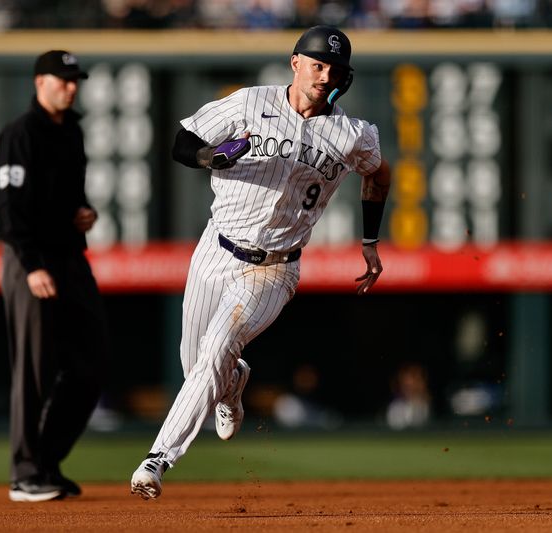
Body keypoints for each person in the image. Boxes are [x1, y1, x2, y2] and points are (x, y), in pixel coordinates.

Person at [130, 25, 392, 500]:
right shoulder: (250, 102)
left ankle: (157, 459)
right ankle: (234, 384)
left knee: (216, 347)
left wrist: (370, 239)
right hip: (216, 249)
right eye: (317, 64)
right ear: (295, 63)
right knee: (198, 365)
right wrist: (212, 155)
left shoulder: (352, 134)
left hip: (275, 267)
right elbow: (182, 141)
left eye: (334, 69)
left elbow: (379, 172)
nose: (324, 74)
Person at [0, 50, 110, 502]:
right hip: (32, 260)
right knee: (34, 368)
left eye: (74, 80)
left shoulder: (72, 131)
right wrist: (31, 264)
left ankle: (46, 462)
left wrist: (84, 213)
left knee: (92, 362)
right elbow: (9, 210)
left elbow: (72, 197)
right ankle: (24, 473)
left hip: (70, 255)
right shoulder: (19, 134)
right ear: (39, 81)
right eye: (62, 79)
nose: (71, 87)